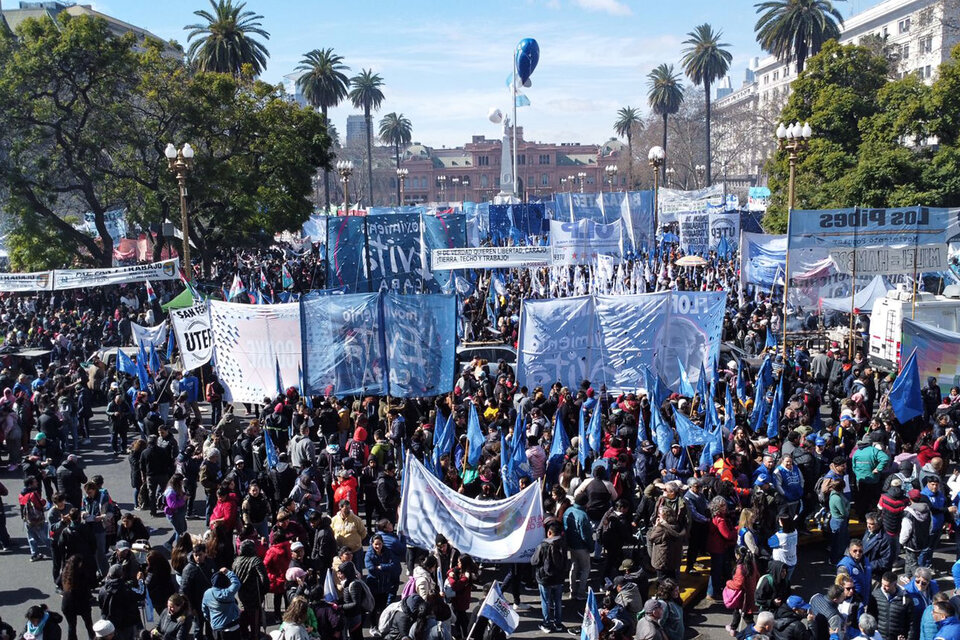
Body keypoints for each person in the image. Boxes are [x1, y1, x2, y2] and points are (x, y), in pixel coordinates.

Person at [530, 520, 568, 634]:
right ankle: (558, 623)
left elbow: (534, 561)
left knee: (545, 601)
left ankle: (546, 623)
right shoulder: (563, 544)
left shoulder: (543, 546)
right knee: (558, 601)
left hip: (545, 578)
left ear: (549, 533)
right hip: (559, 577)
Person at [98, 564, 142, 640]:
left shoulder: (103, 590)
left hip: (111, 622)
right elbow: (140, 594)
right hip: (126, 623)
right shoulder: (126, 590)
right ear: (121, 575)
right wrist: (141, 581)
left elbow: (101, 605)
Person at [867, 571, 914, 640]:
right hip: (879, 637)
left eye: (887, 586)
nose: (883, 587)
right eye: (882, 584)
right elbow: (870, 616)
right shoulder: (875, 595)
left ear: (895, 584)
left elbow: (911, 622)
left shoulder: (906, 599)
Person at [563, 492, 592, 601]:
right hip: (581, 547)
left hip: (571, 545)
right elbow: (586, 535)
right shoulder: (583, 516)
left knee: (574, 567)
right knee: (585, 568)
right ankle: (580, 592)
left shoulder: (567, 511)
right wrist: (591, 547)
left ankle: (572, 591)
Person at [60, 555, 96, 640]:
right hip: (82, 603)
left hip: (67, 604)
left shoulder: (65, 573)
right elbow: (91, 583)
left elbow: (58, 582)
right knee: (89, 625)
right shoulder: (82, 575)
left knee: (71, 627)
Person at [725, 547, 759, 636]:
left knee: (746, 615)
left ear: (738, 555)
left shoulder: (740, 568)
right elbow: (757, 576)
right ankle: (733, 628)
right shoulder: (752, 564)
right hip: (750, 593)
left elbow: (738, 584)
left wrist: (728, 583)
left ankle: (754, 632)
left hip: (742, 596)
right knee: (738, 611)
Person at [201, 568, 241, 640]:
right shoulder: (227, 593)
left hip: (217, 628)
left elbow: (205, 610)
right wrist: (228, 572)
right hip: (232, 626)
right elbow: (236, 583)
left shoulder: (207, 593)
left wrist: (211, 620)